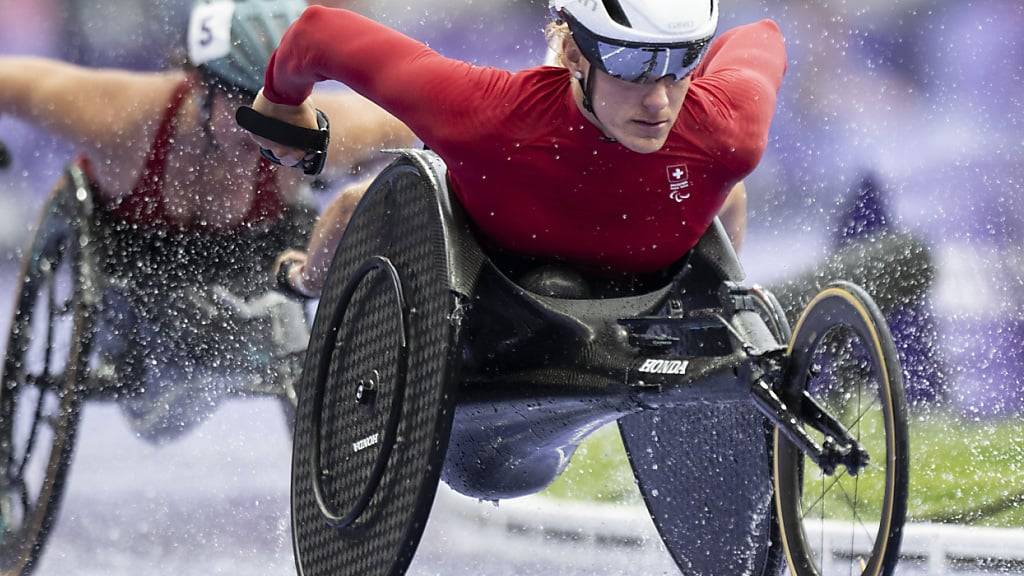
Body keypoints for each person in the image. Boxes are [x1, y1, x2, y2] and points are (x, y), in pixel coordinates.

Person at [0, 0, 415, 440]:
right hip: (131, 283)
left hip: (250, 283)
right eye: (245, 107)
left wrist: (361, 168)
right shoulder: (123, 116)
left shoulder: (312, 130)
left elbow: (412, 123)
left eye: (281, 105)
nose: (264, 128)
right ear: (201, 88)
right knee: (173, 383)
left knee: (272, 309)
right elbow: (11, 82)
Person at [253, 0, 784, 297]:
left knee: (728, 191)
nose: (659, 100)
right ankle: (305, 282)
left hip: (646, 279)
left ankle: (719, 302)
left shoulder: (727, 126)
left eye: (681, 64)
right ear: (575, 54)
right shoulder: (489, 114)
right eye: (633, 65)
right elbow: (317, 32)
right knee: (355, 207)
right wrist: (278, 103)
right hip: (490, 269)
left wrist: (280, 105)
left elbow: (763, 33)